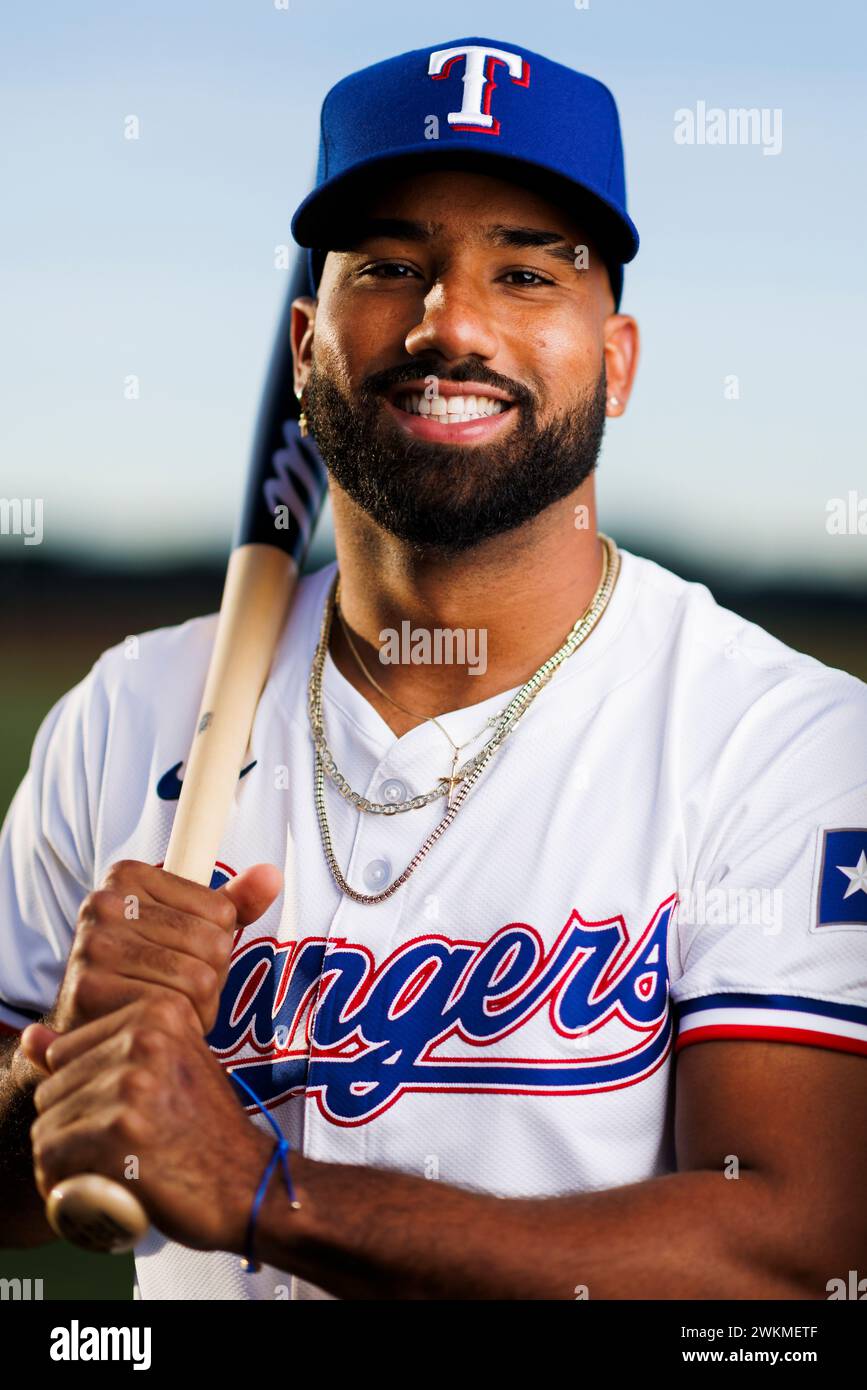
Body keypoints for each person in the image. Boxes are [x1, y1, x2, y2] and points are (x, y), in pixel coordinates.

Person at [1, 35, 865, 1301]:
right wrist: (49, 1083)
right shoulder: (126, 712)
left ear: (617, 362)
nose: (448, 323)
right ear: (304, 345)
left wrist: (261, 1191)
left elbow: (791, 1254)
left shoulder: (781, 741)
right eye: (392, 265)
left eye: (525, 273)